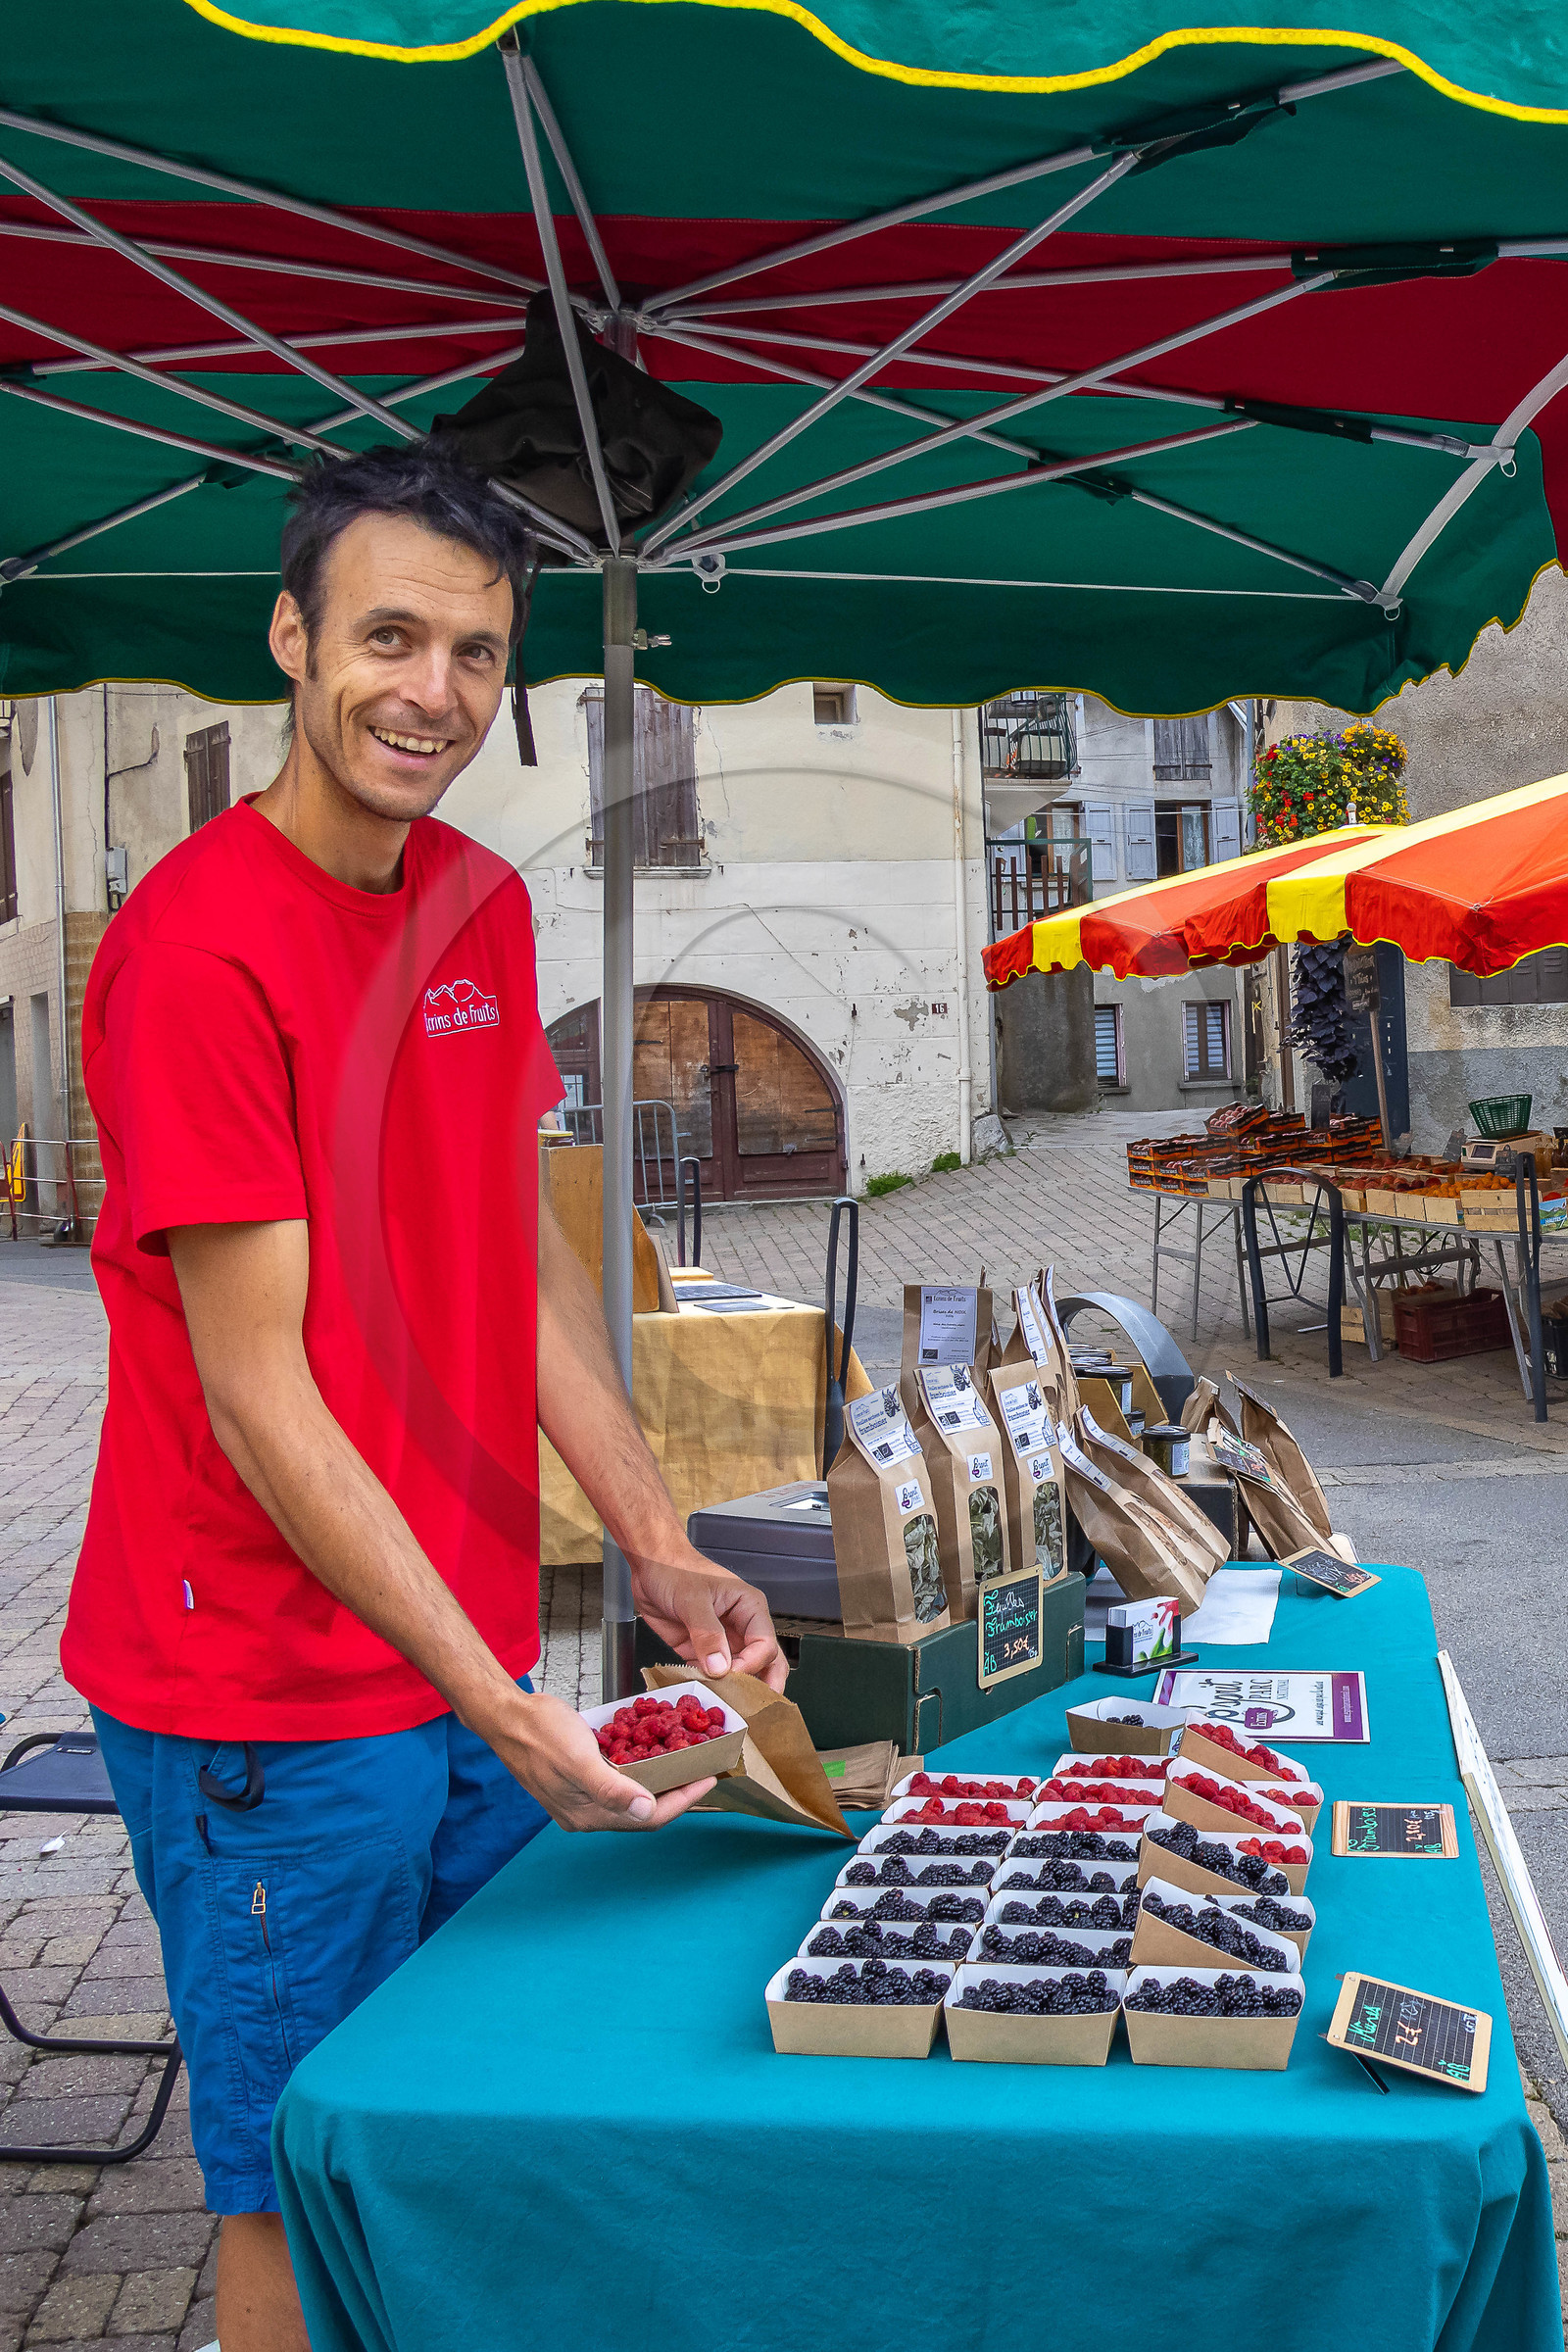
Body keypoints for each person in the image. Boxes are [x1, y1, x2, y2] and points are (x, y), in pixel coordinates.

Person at [64, 443, 783, 2352]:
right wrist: (501, 1699)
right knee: (302, 2171)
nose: (430, 691)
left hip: (462, 1667)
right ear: (292, 639)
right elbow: (257, 1395)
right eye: (387, 635)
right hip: (268, 1701)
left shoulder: (476, 903)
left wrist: (656, 1542)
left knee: (464, 2121)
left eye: (474, 653)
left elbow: (516, 1261)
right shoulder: (198, 953)